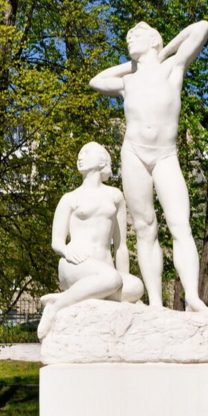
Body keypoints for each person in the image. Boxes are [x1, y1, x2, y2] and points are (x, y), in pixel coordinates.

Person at [89, 20, 208, 311]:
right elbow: (96, 81)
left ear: (154, 40)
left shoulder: (173, 67)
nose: (130, 37)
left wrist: (162, 53)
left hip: (165, 155)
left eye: (137, 34)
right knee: (145, 228)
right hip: (133, 154)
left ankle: (192, 297)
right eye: (128, 35)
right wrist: (135, 65)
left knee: (180, 225)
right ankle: (155, 301)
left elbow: (201, 28)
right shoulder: (128, 81)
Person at [37, 142, 144, 340]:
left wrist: (123, 277)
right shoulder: (70, 198)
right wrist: (67, 251)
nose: (80, 157)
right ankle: (55, 308)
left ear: (102, 160)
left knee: (136, 287)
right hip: (75, 263)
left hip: (105, 268)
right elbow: (56, 242)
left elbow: (120, 246)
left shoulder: (115, 196)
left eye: (86, 152)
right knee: (112, 279)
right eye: (80, 153)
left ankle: (70, 297)